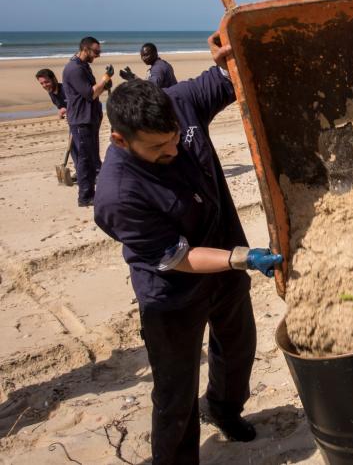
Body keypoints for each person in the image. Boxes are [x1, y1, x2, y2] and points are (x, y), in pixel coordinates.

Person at [93, 32, 283, 465]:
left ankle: (224, 408)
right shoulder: (118, 195)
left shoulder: (179, 102)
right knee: (175, 390)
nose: (173, 149)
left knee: (237, 349)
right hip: (172, 293)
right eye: (158, 148)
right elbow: (178, 256)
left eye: (176, 138)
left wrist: (228, 57)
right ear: (122, 141)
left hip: (223, 268)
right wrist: (242, 258)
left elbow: (225, 79)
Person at [62, 37, 114, 207]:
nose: (98, 55)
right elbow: (89, 94)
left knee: (91, 158)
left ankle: (91, 193)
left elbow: (94, 91)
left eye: (100, 52)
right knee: (85, 160)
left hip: (89, 118)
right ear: (85, 49)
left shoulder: (83, 66)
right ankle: (85, 197)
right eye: (96, 52)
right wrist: (105, 79)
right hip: (81, 120)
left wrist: (105, 85)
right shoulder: (74, 69)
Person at [36, 68, 77, 168]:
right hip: (73, 121)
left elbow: (78, 104)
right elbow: (61, 106)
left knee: (82, 147)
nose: (44, 85)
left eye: (46, 82)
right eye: (42, 83)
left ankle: (91, 172)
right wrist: (63, 110)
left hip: (84, 120)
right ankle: (80, 170)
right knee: (73, 148)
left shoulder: (66, 89)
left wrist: (67, 110)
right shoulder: (51, 92)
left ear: (54, 79)